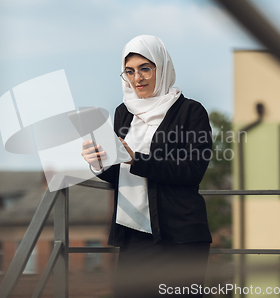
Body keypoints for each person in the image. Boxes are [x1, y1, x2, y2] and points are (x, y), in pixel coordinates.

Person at [81, 35, 213, 297]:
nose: (137, 78)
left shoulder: (191, 112)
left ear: (161, 68)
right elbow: (123, 173)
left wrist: (137, 159)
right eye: (129, 71)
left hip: (180, 238)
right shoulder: (124, 112)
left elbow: (192, 170)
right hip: (134, 235)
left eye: (145, 69)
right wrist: (99, 163)